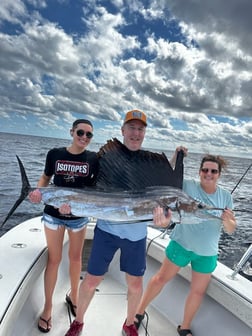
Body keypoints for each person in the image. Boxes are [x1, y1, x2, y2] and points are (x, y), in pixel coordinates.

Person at [64, 109, 185, 336]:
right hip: (106, 232)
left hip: (136, 237)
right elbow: (84, 186)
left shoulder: (150, 163)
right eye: (131, 128)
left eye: (140, 129)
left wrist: (163, 222)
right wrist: (70, 205)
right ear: (122, 130)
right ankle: (78, 321)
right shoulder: (108, 156)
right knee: (91, 281)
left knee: (136, 285)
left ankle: (129, 324)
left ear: (144, 133)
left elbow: (165, 194)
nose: (135, 133)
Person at [135, 154, 237, 336]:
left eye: (213, 171)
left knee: (197, 292)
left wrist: (228, 221)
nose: (208, 174)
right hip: (181, 244)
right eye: (205, 170)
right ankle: (139, 312)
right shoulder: (188, 186)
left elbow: (230, 229)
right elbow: (167, 179)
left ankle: (185, 327)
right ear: (199, 172)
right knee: (160, 279)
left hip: (207, 253)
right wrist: (177, 155)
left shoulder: (225, 196)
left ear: (219, 174)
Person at [29, 119, 99, 333]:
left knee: (76, 258)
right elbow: (45, 177)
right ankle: (48, 308)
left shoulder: (94, 159)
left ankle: (74, 296)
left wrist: (76, 208)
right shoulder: (55, 153)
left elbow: (94, 190)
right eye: (80, 132)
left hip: (77, 217)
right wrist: (38, 193)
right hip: (53, 215)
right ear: (71, 132)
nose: (84, 137)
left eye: (89, 135)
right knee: (54, 259)